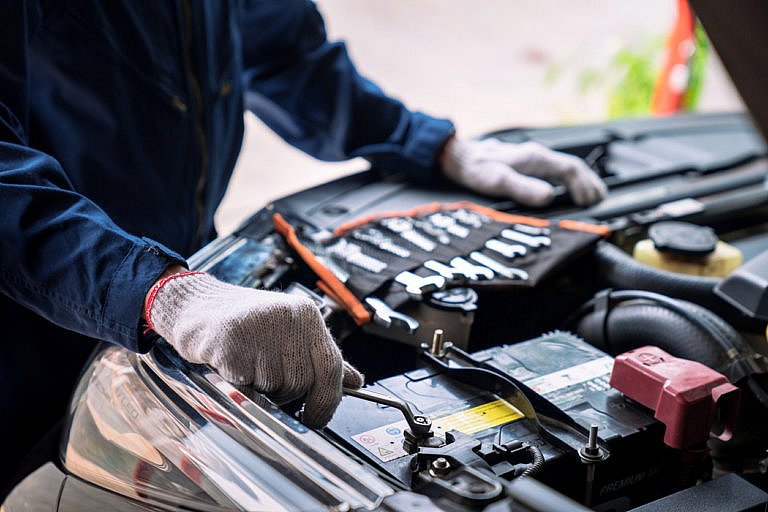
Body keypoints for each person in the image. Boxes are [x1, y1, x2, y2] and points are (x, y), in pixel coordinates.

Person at [0, 0, 606, 488]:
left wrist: (431, 146)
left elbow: (286, 54)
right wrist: (163, 296)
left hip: (184, 277)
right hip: (33, 318)